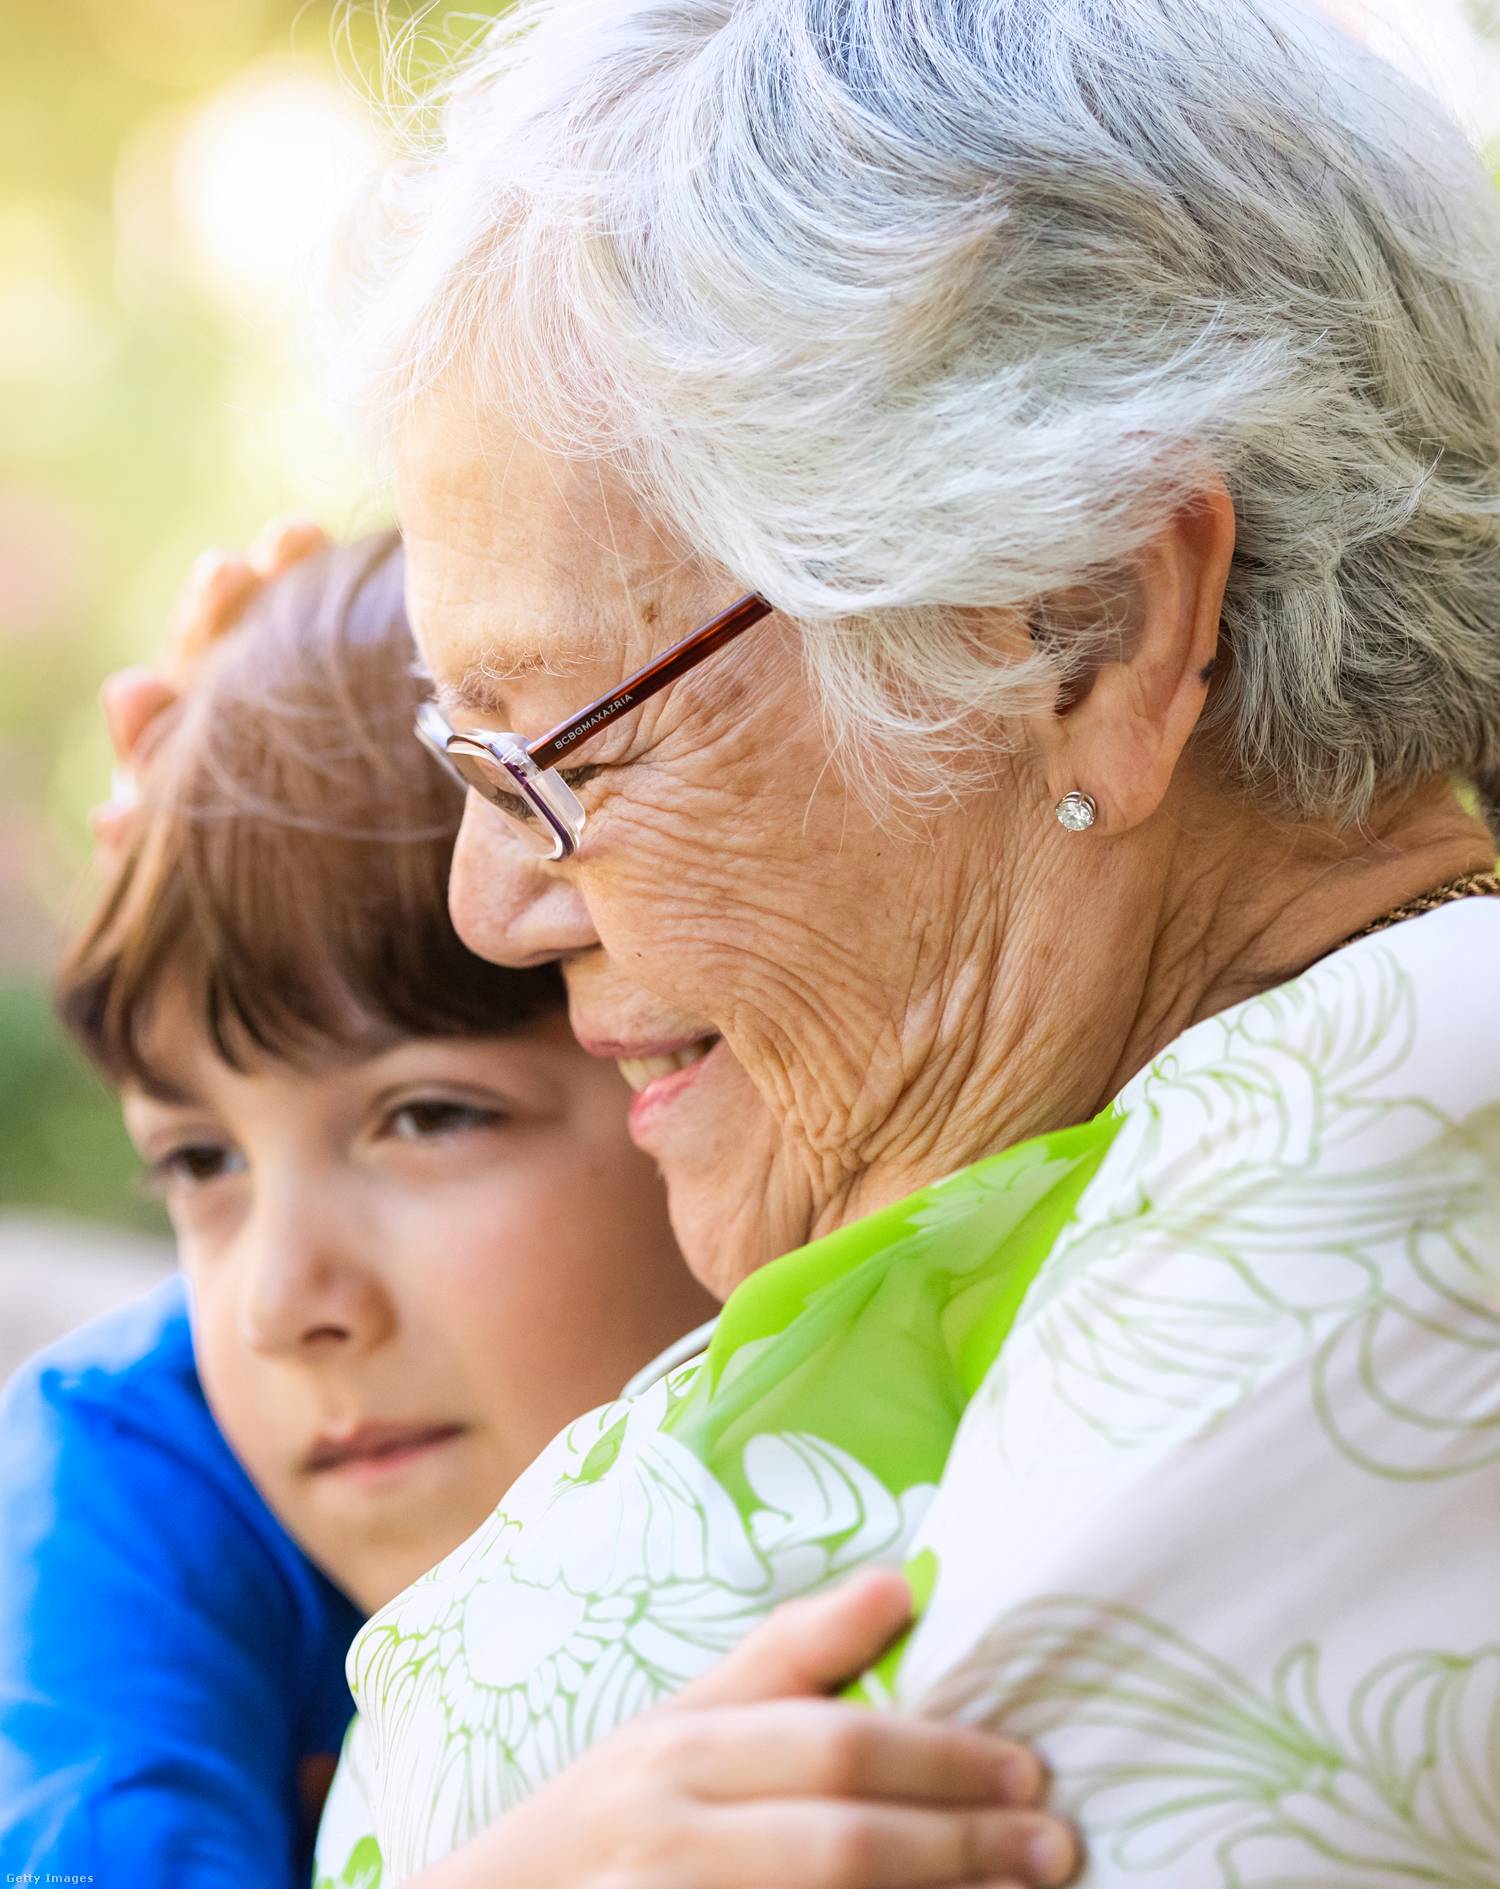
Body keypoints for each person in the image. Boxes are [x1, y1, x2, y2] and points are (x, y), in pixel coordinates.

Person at [313, 0, 1500, 1884]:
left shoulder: (1412, 1153)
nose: (491, 899)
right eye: (470, 756)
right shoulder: (1061, 1171)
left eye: (561, 748)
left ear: (1086, 636)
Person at [0, 530, 718, 1884]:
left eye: (429, 1115)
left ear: (698, 1061)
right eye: (200, 1160)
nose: (282, 1303)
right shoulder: (134, 1464)